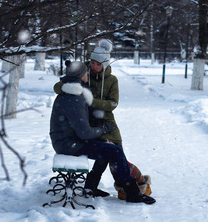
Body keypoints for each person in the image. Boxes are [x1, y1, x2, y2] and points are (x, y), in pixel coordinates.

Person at [54, 39, 152, 200]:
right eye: (92, 62)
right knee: (109, 153)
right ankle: (129, 190)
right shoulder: (83, 73)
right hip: (86, 122)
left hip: (105, 120)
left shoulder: (112, 80)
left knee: (116, 151)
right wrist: (69, 89)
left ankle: (103, 186)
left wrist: (91, 101)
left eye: (97, 64)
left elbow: (113, 103)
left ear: (104, 64)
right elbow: (61, 85)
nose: (93, 66)